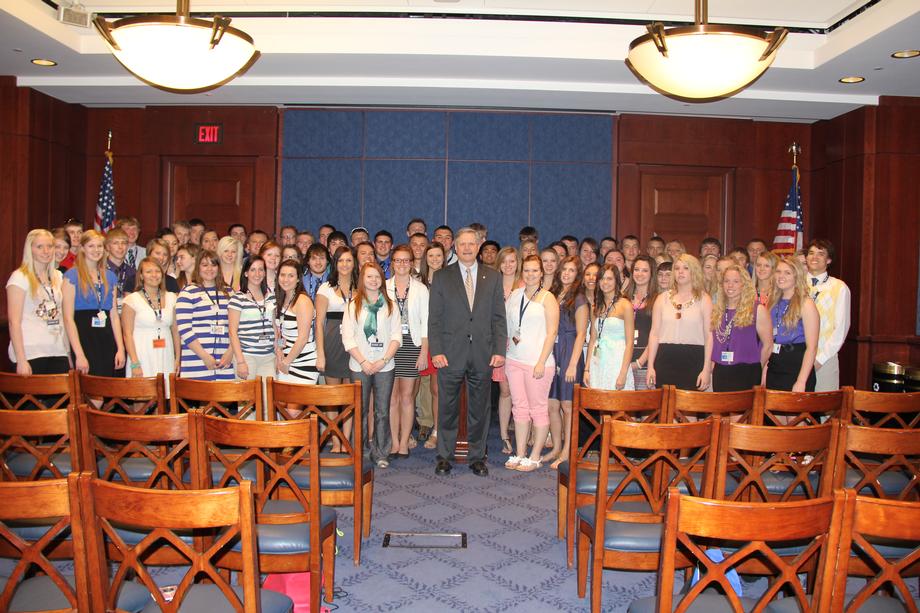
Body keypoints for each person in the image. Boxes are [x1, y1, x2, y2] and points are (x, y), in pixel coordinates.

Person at [428, 227, 507, 477]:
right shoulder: (442, 277)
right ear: (455, 247)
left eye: (471, 244)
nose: (467, 248)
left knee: (479, 408)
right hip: (450, 353)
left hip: (483, 353)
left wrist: (499, 349)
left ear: (479, 246)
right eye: (462, 244)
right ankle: (444, 456)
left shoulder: (493, 277)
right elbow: (435, 319)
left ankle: (477, 456)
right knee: (447, 406)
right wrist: (436, 350)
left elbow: (498, 318)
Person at [342, 262, 402, 468]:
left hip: (385, 365)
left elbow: (396, 336)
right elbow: (348, 338)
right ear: (362, 279)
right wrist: (364, 361)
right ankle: (359, 451)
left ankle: (381, 452)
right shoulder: (353, 305)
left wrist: (383, 360)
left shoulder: (390, 305)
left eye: (377, 276)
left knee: (382, 411)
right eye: (369, 276)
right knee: (359, 410)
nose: (374, 280)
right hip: (359, 366)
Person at [503, 255, 559, 472]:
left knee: (538, 409)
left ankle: (535, 455)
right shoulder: (515, 295)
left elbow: (552, 332)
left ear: (541, 272)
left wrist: (541, 361)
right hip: (514, 360)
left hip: (538, 363)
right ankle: (520, 452)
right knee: (519, 408)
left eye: (535, 270)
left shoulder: (548, 298)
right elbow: (509, 327)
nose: (531, 274)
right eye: (527, 270)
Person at [6, 229, 70, 375]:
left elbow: (63, 317)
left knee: (60, 398)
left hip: (57, 350)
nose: (46, 251)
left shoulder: (58, 277)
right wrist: (21, 360)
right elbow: (13, 322)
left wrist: (68, 353)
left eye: (50, 246)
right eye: (40, 247)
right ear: (30, 249)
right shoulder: (19, 277)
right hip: (31, 352)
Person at [386, 245, 430, 458]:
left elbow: (426, 323)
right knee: (392, 398)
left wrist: (424, 352)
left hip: (412, 346)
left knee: (407, 397)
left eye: (406, 260)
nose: (402, 264)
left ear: (412, 263)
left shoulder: (421, 289)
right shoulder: (384, 287)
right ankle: (394, 442)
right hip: (389, 348)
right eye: (398, 260)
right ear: (392, 263)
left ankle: (404, 442)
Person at [646, 254, 712, 391]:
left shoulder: (704, 299)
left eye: (685, 268)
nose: (680, 272)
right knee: (664, 408)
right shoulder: (662, 298)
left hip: (694, 358)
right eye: (677, 268)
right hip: (664, 358)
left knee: (689, 410)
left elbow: (709, 336)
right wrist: (650, 366)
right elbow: (654, 334)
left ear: (694, 271)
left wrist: (707, 369)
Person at [63, 230, 124, 376]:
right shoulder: (71, 275)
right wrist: (79, 354)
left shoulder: (110, 276)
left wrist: (120, 348)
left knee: (105, 388)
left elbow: (114, 315)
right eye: (91, 246)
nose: (96, 250)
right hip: (84, 337)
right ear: (82, 248)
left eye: (100, 246)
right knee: (88, 390)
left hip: (106, 337)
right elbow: (68, 318)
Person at [547, 256, 588, 468]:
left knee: (567, 404)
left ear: (577, 274)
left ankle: (568, 451)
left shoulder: (579, 298)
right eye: (564, 269)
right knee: (552, 403)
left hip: (570, 350)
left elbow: (582, 334)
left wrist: (573, 364)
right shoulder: (553, 294)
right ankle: (555, 446)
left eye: (572, 270)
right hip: (553, 350)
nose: (566, 273)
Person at [315, 246, 357, 451]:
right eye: (341, 260)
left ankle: (346, 439)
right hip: (331, 344)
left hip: (354, 346)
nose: (345, 264)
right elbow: (319, 323)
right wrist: (320, 353)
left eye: (349, 260)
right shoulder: (325, 288)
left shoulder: (361, 287)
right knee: (333, 397)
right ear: (335, 263)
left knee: (348, 396)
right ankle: (335, 439)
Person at [709, 264, 772, 392]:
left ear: (744, 284)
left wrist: (756, 367)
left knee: (743, 412)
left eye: (736, 281)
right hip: (721, 370)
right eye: (726, 281)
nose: (730, 285)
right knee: (721, 410)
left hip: (747, 371)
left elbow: (768, 345)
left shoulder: (756, 309)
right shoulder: (718, 310)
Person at [175, 250, 234, 381]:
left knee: (226, 399)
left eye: (213, 265)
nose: (209, 269)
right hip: (197, 360)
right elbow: (184, 330)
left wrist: (231, 352)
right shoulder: (188, 292)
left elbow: (237, 327)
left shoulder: (229, 292)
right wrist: (204, 356)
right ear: (198, 267)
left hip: (226, 361)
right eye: (204, 265)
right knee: (201, 399)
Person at [122, 258, 178, 393]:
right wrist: (135, 363)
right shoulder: (131, 300)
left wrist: (178, 359)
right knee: (141, 398)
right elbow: (127, 334)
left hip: (166, 352)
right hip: (141, 354)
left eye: (157, 271)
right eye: (149, 271)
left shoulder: (172, 297)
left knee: (165, 396)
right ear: (141, 276)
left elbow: (175, 331)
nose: (154, 275)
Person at [766, 257, 819, 392]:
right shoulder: (772, 303)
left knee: (794, 413)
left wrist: (801, 381)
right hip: (775, 366)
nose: (781, 276)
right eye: (778, 272)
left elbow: (812, 348)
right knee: (773, 412)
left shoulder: (806, 304)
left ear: (797, 276)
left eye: (787, 273)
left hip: (797, 367)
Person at [806, 239, 851, 392]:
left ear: (829, 260)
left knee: (826, 410)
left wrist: (820, 359)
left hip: (824, 358)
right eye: (811, 253)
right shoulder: (796, 283)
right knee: (793, 409)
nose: (814, 257)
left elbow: (841, 329)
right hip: (797, 357)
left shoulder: (839, 287)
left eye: (821, 254)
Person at [585, 265, 634, 391]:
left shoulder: (625, 305)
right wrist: (587, 369)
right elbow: (592, 340)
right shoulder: (595, 306)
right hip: (598, 361)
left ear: (617, 281)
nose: (605, 282)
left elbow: (630, 343)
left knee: (620, 407)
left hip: (618, 360)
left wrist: (623, 374)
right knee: (600, 405)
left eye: (609, 279)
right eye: (601, 279)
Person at [416, 242, 446, 448]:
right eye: (431, 256)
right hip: (419, 339)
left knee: (437, 389)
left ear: (444, 257)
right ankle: (413, 428)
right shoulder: (418, 282)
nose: (434, 259)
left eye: (438, 255)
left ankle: (437, 431)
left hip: (442, 340)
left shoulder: (451, 279)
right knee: (414, 389)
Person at [228, 256, 277, 380]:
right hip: (246, 357)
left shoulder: (271, 297)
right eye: (252, 270)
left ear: (265, 272)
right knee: (248, 399)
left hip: (269, 357)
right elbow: (232, 332)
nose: (257, 274)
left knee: (268, 398)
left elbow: (275, 327)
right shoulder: (238, 298)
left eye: (261, 270)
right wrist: (240, 361)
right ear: (245, 273)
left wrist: (279, 351)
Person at [495, 246, 522, 454]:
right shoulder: (492, 284)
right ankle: (504, 435)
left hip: (519, 345)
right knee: (505, 391)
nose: (508, 265)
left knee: (520, 391)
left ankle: (523, 432)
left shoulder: (524, 285)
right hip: (497, 344)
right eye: (504, 261)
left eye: (512, 261)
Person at [274, 259, 319, 384]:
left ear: (298, 279)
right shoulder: (282, 299)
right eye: (282, 275)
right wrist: (279, 351)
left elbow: (303, 338)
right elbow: (281, 332)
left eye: (291, 276)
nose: (285, 279)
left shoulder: (302, 301)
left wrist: (287, 362)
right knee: (282, 403)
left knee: (295, 403)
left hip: (303, 360)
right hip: (285, 358)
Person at [625, 256, 657, 391]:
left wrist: (640, 362)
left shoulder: (657, 299)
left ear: (651, 274)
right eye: (636, 269)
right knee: (624, 408)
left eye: (645, 270)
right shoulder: (623, 298)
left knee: (646, 408)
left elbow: (656, 334)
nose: (639, 274)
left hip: (646, 362)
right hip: (624, 362)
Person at [104, 228, 136, 315]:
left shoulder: (133, 272)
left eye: (124, 243)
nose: (120, 247)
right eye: (115, 243)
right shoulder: (100, 270)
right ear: (107, 246)